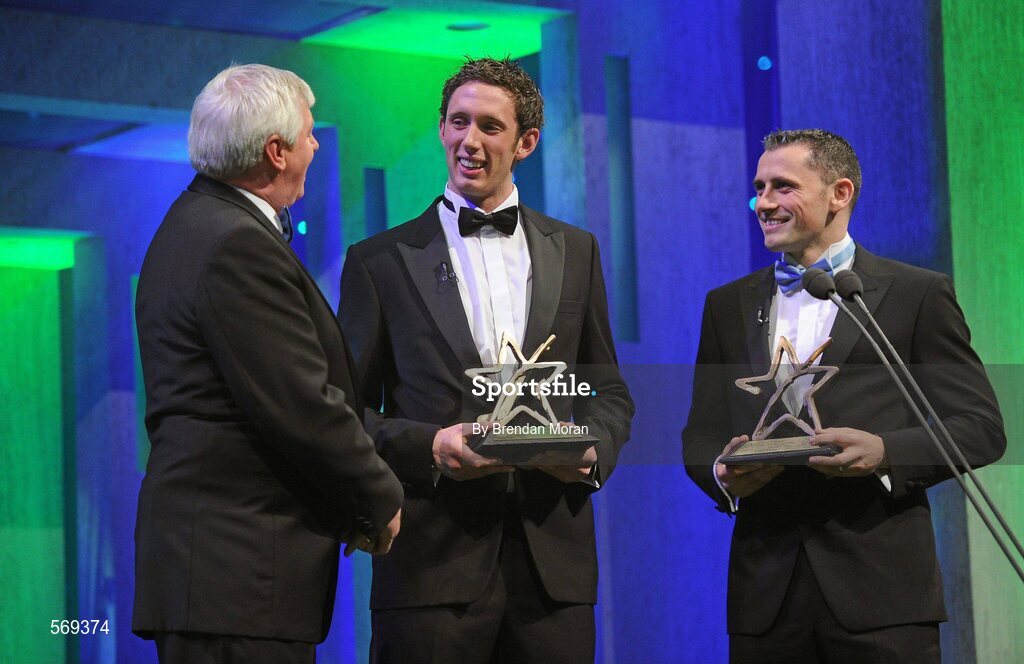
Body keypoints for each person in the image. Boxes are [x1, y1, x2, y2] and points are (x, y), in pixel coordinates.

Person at [339, 57, 634, 664]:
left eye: (490, 127)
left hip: (554, 571)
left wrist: (590, 451)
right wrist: (430, 446)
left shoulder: (576, 250)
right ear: (442, 129)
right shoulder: (379, 261)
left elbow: (607, 391)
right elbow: (344, 413)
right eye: (458, 122)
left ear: (526, 142)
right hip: (428, 569)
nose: (469, 141)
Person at [682, 128, 1006, 663]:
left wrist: (886, 452)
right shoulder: (727, 304)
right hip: (766, 596)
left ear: (840, 193)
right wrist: (720, 472)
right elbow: (701, 430)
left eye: (783, 187)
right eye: (759, 188)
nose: (764, 203)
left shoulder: (916, 294)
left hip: (883, 594)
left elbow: (981, 427)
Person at [132, 64, 403, 664]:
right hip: (237, 572)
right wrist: (379, 495)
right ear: (276, 152)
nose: (315, 146)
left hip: (217, 575)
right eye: (308, 134)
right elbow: (300, 404)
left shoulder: (195, 223)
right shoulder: (236, 243)